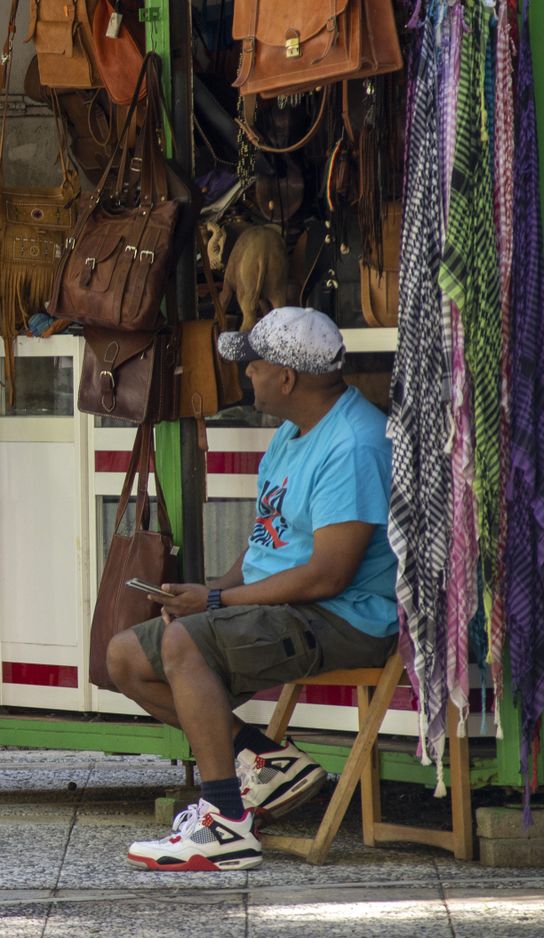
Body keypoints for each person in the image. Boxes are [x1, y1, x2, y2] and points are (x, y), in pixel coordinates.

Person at [106, 307, 400, 871]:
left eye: (255, 365)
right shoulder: (291, 433)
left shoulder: (354, 443)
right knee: (125, 656)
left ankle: (226, 823)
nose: (247, 375)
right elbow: (268, 539)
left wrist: (215, 605)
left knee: (185, 643)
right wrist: (208, 591)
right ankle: (261, 757)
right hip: (289, 607)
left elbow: (329, 575)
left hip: (344, 616)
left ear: (286, 377)